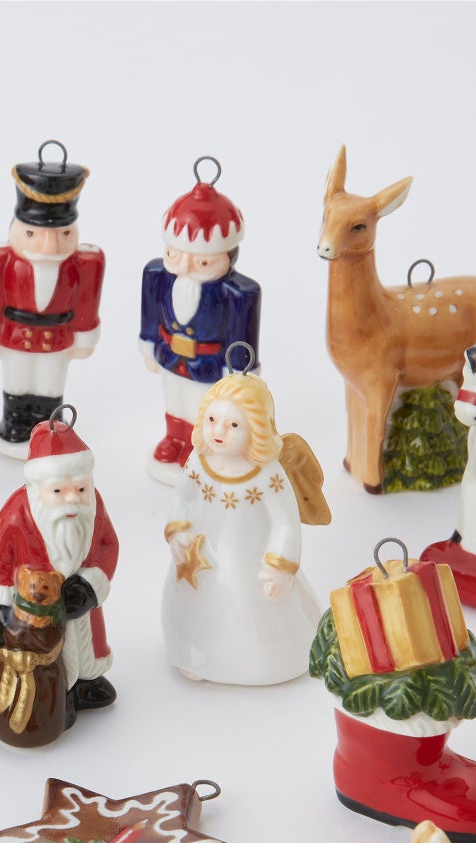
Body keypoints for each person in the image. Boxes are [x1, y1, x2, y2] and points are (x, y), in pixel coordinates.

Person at [162, 368, 330, 685]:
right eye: (212, 419)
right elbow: (182, 499)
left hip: (252, 560)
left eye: (234, 425)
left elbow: (285, 523)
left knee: (252, 611)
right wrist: (177, 531)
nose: (218, 431)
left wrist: (279, 567)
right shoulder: (198, 461)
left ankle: (265, 662)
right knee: (199, 608)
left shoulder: (268, 474)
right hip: (201, 559)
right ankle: (196, 654)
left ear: (257, 429)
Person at [0, 413, 120, 718]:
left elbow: (108, 544)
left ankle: (88, 682)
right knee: (51, 652)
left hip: (81, 600)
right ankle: (60, 694)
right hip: (35, 609)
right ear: (39, 487)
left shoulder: (93, 504)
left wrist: (90, 585)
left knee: (88, 644)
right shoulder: (17, 512)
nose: (72, 499)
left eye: (80, 489)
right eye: (58, 491)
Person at [0, 142, 104, 457]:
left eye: (63, 235)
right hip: (16, 336)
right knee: (17, 381)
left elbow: (86, 304)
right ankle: (16, 422)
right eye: (32, 235)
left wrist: (85, 337)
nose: (49, 247)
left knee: (50, 383)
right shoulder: (0, 260)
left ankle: (48, 425)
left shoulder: (83, 264)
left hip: (56, 338)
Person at [140, 160, 260, 484]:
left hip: (208, 365)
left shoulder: (236, 293)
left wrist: (238, 372)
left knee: (202, 406)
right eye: (175, 255)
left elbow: (242, 333)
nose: (186, 266)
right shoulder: (158, 276)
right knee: (174, 399)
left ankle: (199, 446)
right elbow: (150, 314)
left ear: (228, 257)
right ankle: (174, 438)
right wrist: (149, 345)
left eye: (203, 262)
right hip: (170, 357)